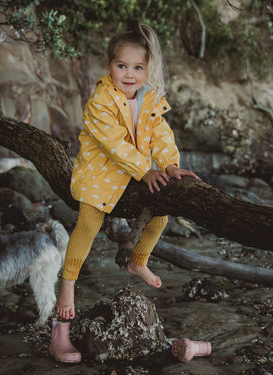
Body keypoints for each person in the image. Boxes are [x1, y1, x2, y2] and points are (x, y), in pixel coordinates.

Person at [49, 21, 201, 363]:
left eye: (137, 67)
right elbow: (115, 145)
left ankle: (138, 260)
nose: (129, 74)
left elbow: (160, 137)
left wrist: (170, 165)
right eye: (122, 66)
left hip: (131, 176)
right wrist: (145, 170)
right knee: (88, 223)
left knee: (162, 210)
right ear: (109, 68)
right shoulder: (100, 101)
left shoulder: (149, 99)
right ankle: (67, 290)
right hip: (100, 174)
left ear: (147, 70)